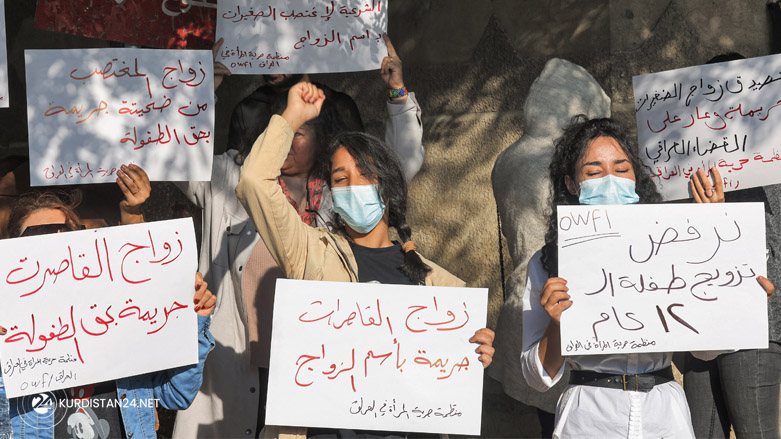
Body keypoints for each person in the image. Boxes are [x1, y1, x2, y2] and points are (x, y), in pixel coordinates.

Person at [172, 35, 426, 439]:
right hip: (236, 366)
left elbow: (402, 163)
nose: (287, 144)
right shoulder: (229, 178)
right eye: (279, 133)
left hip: (317, 366)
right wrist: (201, 91)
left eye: (299, 134)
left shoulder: (340, 191)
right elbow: (180, 155)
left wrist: (397, 93)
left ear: (321, 139)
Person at [235, 81, 495, 437]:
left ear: (386, 187)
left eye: (366, 175)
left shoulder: (440, 286)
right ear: (332, 194)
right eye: (340, 179)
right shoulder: (311, 254)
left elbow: (448, 379)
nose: (353, 186)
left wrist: (475, 350)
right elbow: (253, 181)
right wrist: (291, 116)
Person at [519, 116, 775, 438]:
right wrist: (556, 324)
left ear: (636, 178)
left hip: (664, 418)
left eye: (622, 169)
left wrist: (737, 299)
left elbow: (705, 351)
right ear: (571, 184)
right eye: (594, 172)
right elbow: (536, 377)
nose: (610, 180)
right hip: (589, 421)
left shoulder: (674, 246)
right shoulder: (547, 263)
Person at [1, 190, 216, 439]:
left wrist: (193, 322)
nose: (54, 243)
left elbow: (176, 394)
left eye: (65, 233)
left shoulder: (123, 315)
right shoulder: (8, 330)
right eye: (38, 235)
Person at [679, 52, 781, 439]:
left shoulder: (770, 165)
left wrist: (724, 216)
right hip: (698, 325)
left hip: (755, 326)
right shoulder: (685, 171)